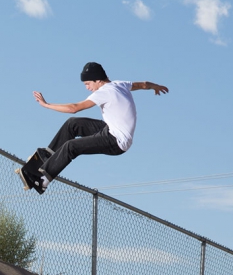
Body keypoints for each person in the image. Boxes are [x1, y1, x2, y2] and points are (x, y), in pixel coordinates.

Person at [29, 62, 168, 193]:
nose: (87, 88)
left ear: (98, 80)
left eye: (88, 83)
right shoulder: (120, 84)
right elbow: (143, 84)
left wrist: (46, 105)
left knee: (71, 146)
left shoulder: (104, 92)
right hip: (110, 129)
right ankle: (48, 156)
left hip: (116, 141)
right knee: (73, 124)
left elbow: (74, 108)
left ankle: (42, 181)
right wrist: (156, 86)